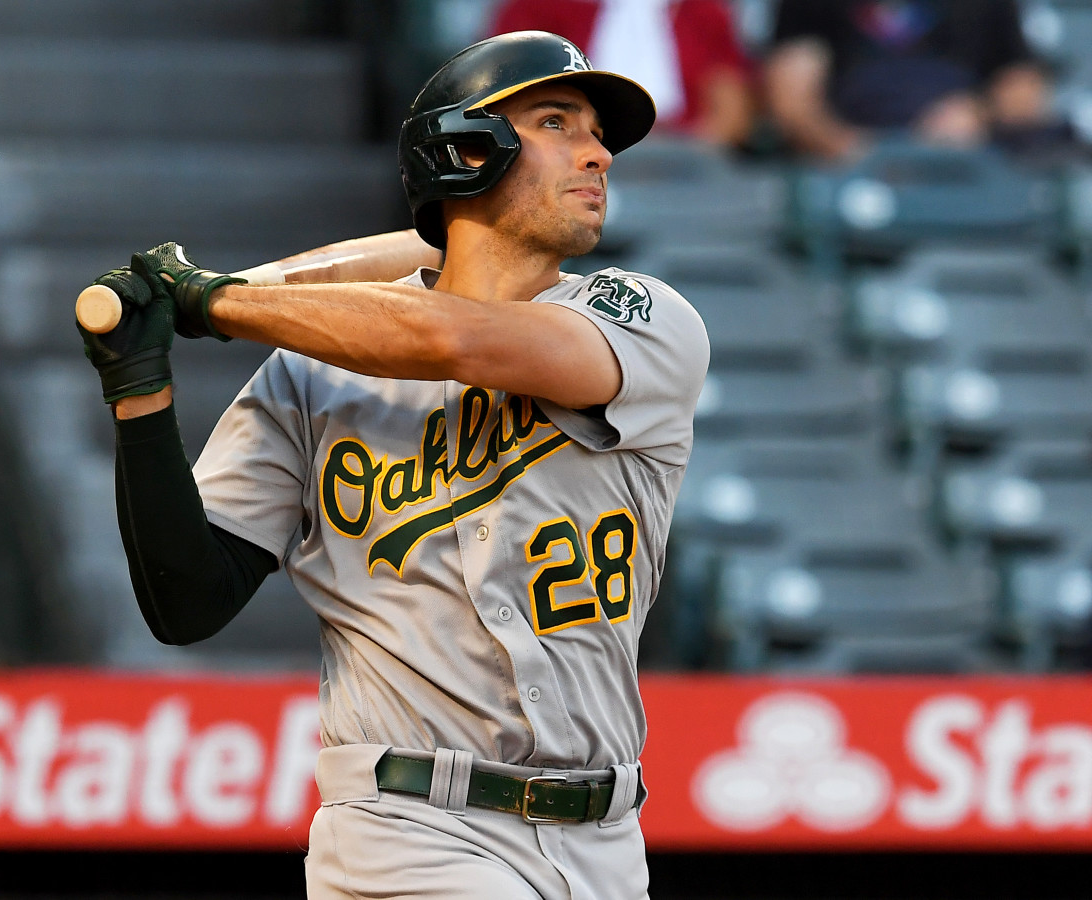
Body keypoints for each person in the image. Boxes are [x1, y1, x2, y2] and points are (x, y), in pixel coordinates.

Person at [78, 30, 708, 899]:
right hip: (406, 828)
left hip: (606, 841)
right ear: (465, 151)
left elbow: (449, 334)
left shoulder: (642, 318)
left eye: (596, 132)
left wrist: (211, 299)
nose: (598, 152)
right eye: (559, 122)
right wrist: (140, 393)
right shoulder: (310, 372)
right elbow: (188, 598)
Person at [764, 0, 1054, 161]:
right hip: (846, 166)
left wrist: (978, 113)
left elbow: (1023, 91)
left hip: (960, 164)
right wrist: (857, 152)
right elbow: (793, 105)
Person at [490, 0, 754, 147]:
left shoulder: (702, 12)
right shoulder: (535, 7)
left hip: (684, 171)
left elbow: (731, 118)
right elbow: (508, 103)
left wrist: (669, 161)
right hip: (566, 156)